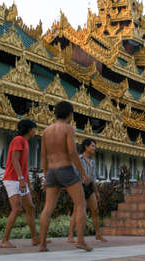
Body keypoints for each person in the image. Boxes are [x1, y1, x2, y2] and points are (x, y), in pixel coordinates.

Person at [39, 101, 92, 252]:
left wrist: (45, 176)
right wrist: (83, 173)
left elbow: (43, 156)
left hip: (51, 172)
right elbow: (72, 152)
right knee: (81, 204)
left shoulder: (46, 131)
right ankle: (80, 241)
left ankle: (42, 244)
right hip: (66, 169)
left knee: (48, 208)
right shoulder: (68, 128)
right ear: (70, 114)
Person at [1, 119, 40, 248]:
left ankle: (35, 238)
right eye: (35, 128)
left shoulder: (26, 143)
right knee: (17, 209)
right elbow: (14, 160)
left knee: (30, 207)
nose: (36, 131)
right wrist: (21, 179)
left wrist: (28, 184)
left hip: (20, 180)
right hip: (12, 179)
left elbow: (24, 166)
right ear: (29, 129)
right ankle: (4, 241)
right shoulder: (18, 140)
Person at [68, 138, 107, 243]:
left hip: (89, 188)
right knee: (77, 211)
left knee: (95, 210)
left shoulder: (93, 162)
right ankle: (70, 236)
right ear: (86, 147)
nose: (94, 148)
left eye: (94, 146)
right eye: (92, 146)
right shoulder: (79, 159)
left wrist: (97, 192)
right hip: (79, 186)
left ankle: (98, 234)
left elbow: (93, 179)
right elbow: (73, 173)